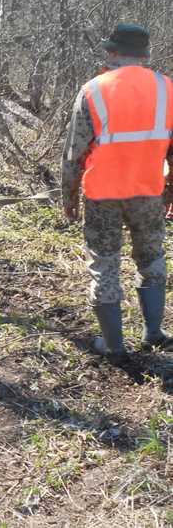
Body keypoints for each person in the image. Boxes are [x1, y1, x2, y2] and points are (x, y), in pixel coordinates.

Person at [61, 23, 173, 364]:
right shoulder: (167, 88)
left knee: (105, 266)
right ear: (144, 56)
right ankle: (153, 333)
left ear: (112, 53)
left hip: (102, 195)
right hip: (149, 192)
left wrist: (69, 201)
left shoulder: (93, 90)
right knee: (152, 258)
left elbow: (73, 154)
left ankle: (114, 347)